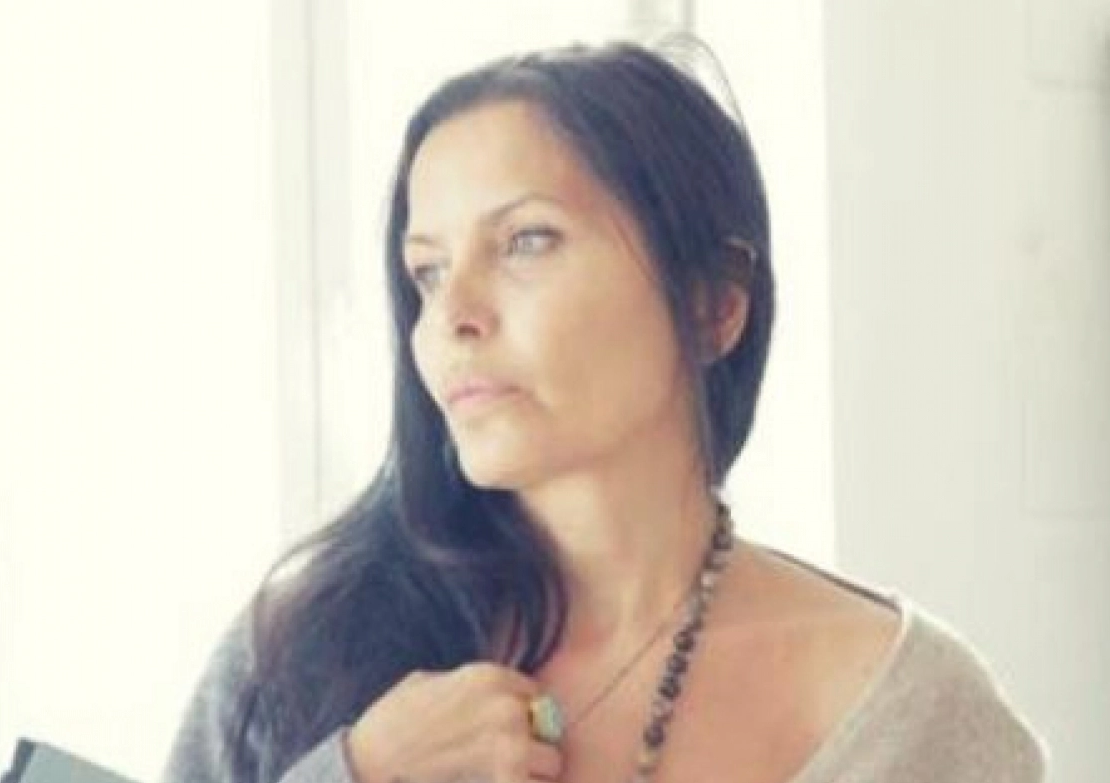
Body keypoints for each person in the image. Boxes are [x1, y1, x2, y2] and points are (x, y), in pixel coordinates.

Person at [161, 39, 1046, 783]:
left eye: (526, 241)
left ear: (711, 304)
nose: (451, 314)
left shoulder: (911, 716)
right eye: (426, 270)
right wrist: (359, 772)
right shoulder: (299, 649)